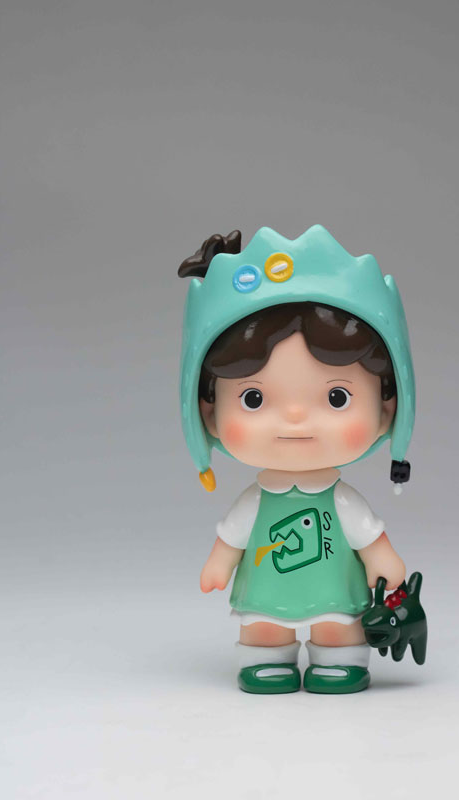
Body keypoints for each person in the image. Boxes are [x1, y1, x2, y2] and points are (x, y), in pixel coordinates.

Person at [178, 225, 415, 694]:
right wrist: (220, 562)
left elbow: (368, 535)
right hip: (267, 589)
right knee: (264, 624)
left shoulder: (341, 500)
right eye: (253, 399)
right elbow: (232, 536)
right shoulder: (256, 500)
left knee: (339, 623)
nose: (294, 418)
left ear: (387, 406)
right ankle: (266, 658)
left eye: (337, 397)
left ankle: (338, 660)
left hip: (334, 587)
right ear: (207, 410)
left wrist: (382, 560)